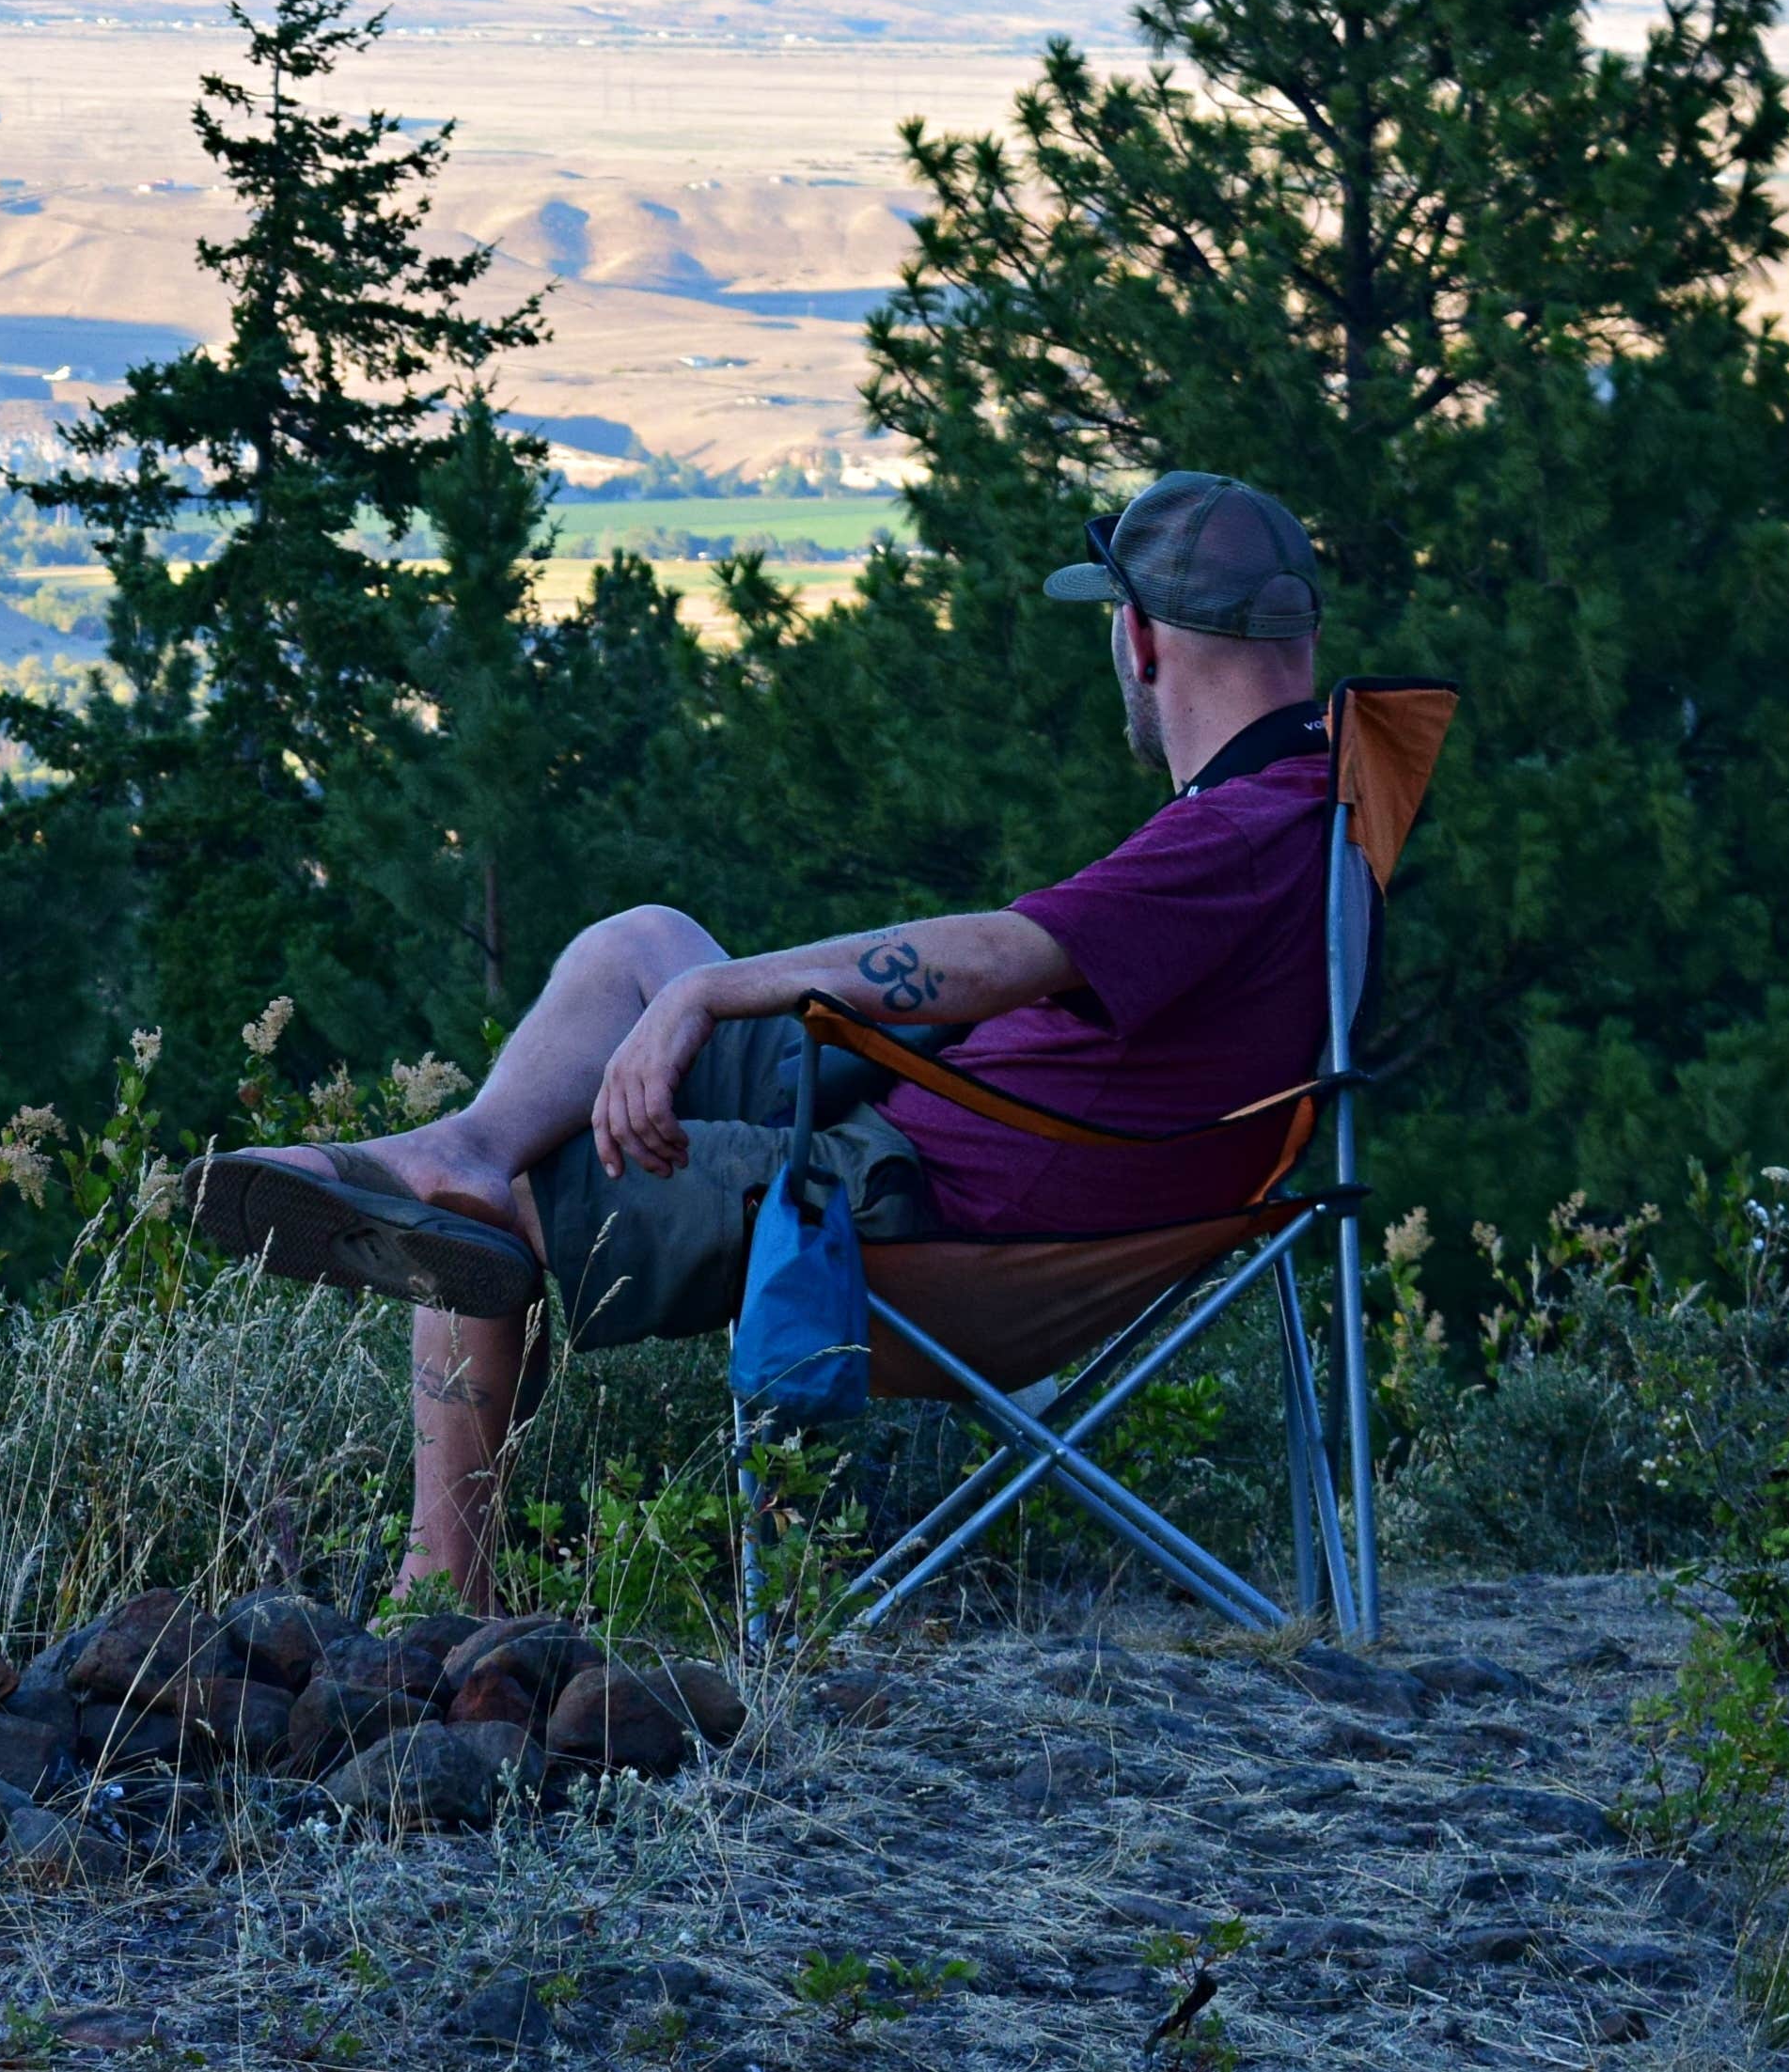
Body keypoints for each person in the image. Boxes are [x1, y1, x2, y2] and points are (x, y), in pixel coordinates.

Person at [196, 469, 1342, 1599]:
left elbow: (1001, 953)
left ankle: (439, 1590)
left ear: (1137, 637)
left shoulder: (1242, 833)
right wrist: (700, 984)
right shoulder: (1303, 802)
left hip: (929, 1205)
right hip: (945, 1118)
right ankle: (458, 1145)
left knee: (510, 1209)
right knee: (641, 944)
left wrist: (709, 999)